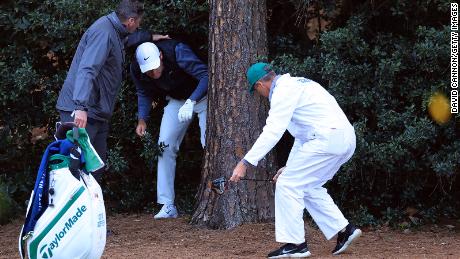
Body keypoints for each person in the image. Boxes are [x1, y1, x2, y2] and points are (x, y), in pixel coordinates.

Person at [230, 62, 362, 258]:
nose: (260, 95)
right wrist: (289, 167)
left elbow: (273, 131)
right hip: (343, 140)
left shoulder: (283, 92)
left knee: (288, 183)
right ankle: (344, 230)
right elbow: (302, 136)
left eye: (257, 91)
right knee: (308, 186)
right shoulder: (299, 84)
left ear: (259, 85)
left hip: (326, 140)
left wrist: (245, 162)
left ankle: (295, 244)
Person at [56, 0, 167, 182]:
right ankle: (70, 210)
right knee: (76, 167)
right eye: (138, 22)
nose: (139, 25)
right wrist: (81, 107)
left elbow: (128, 40)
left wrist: (150, 37)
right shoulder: (104, 33)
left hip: (96, 112)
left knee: (96, 167)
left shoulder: (114, 31)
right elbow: (87, 69)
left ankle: (91, 210)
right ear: (131, 20)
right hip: (81, 112)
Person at [131, 40, 208, 219]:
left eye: (155, 67)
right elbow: (143, 92)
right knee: (164, 146)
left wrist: (192, 100)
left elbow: (206, 75)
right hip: (177, 100)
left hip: (203, 98)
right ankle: (167, 204)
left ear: (161, 56)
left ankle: (216, 194)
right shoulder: (137, 68)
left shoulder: (178, 51)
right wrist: (142, 119)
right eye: (148, 70)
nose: (152, 73)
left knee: (208, 144)